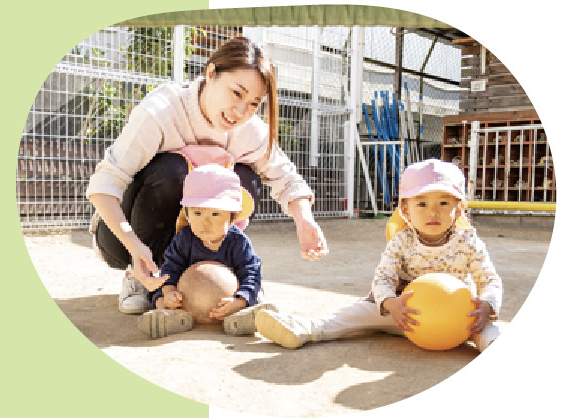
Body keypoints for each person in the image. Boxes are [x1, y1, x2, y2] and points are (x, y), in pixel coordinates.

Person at [86, 36, 329, 314]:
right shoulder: (162, 111)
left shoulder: (249, 131)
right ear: (211, 72)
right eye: (237, 93)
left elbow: (286, 179)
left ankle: (212, 268)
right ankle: (139, 277)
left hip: (185, 241)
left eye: (254, 103)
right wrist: (133, 245)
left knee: (244, 180)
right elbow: (104, 184)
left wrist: (304, 221)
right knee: (173, 170)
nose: (241, 112)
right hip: (122, 238)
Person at [255, 159, 503, 352]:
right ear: (405, 209)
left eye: (444, 203)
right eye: (422, 203)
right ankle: (306, 329)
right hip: (403, 314)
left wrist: (487, 305)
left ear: (459, 208)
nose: (433, 212)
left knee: (486, 329)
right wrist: (391, 304)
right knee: (353, 314)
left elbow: (489, 278)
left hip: (455, 318)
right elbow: (383, 279)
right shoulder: (401, 242)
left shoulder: (468, 241)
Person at [137, 164, 275, 339]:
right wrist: (169, 292)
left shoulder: (238, 242)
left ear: (234, 216)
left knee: (255, 290)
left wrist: (240, 301)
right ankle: (169, 314)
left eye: (215, 215)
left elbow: (250, 271)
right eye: (197, 213)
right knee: (156, 288)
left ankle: (241, 316)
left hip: (228, 301)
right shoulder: (184, 239)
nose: (205, 222)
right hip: (187, 301)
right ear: (186, 214)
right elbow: (171, 267)